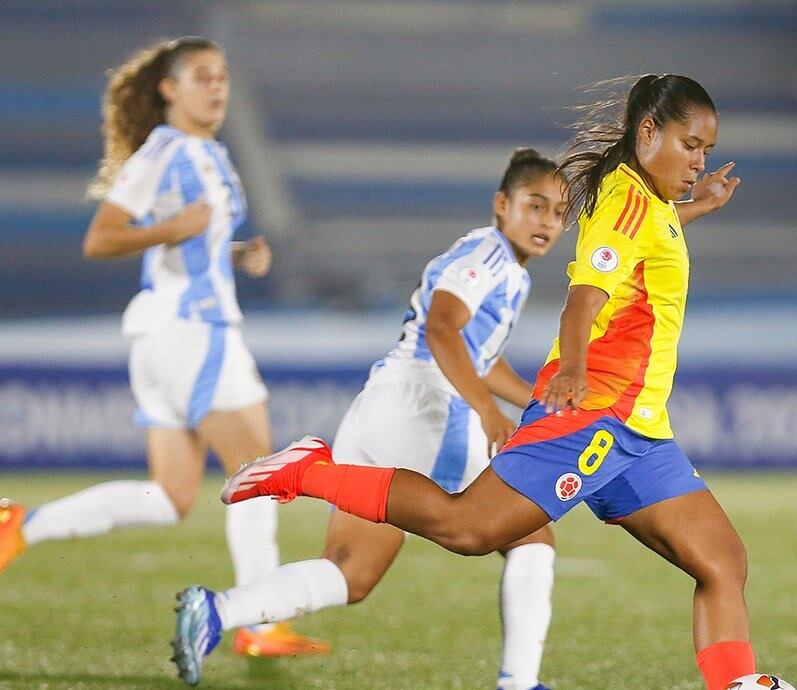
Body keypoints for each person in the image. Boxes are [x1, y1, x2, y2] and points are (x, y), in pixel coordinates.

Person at [212, 74, 754, 690]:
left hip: (640, 433)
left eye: (706, 150)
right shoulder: (627, 204)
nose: (698, 161)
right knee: (468, 528)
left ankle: (734, 685)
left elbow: (647, 238)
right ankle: (307, 471)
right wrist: (573, 368)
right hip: (596, 416)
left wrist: (700, 203)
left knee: (721, 561)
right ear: (649, 132)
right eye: (690, 146)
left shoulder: (646, 203)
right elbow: (583, 298)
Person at [169, 148, 567, 688]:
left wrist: (532, 401)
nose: (547, 221)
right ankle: (519, 682)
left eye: (558, 211)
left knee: (351, 572)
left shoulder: (503, 269)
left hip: (381, 404)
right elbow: (443, 332)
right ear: (502, 204)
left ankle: (216, 611)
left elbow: (477, 350)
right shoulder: (489, 255)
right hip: (427, 407)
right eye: (535, 205)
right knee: (530, 535)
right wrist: (486, 411)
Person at [0, 36, 326, 657]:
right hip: (194, 335)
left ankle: (21, 524)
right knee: (257, 474)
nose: (217, 87)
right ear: (169, 89)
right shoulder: (165, 150)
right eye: (202, 77)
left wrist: (233, 254)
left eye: (223, 76)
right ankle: (258, 623)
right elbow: (101, 238)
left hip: (170, 337)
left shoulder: (209, 154)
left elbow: (190, 248)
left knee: (171, 497)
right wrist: (174, 228)